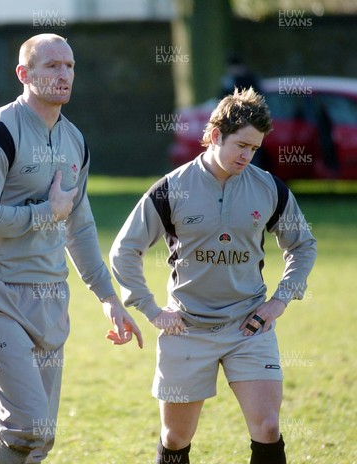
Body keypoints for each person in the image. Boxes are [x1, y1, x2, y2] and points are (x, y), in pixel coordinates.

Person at [0, 33, 143, 464]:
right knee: (23, 427)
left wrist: (108, 297)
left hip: (51, 298)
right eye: (52, 66)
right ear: (24, 74)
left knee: (39, 440)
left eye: (70, 66)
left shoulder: (75, 140)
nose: (64, 75)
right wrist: (45, 212)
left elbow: (79, 223)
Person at [110, 87, 316, 464]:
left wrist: (279, 301)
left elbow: (303, 246)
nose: (247, 156)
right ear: (215, 135)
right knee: (174, 439)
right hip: (187, 329)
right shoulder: (172, 189)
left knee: (268, 427)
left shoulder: (269, 189)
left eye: (254, 148)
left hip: (248, 326)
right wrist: (151, 309)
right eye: (241, 145)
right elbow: (124, 250)